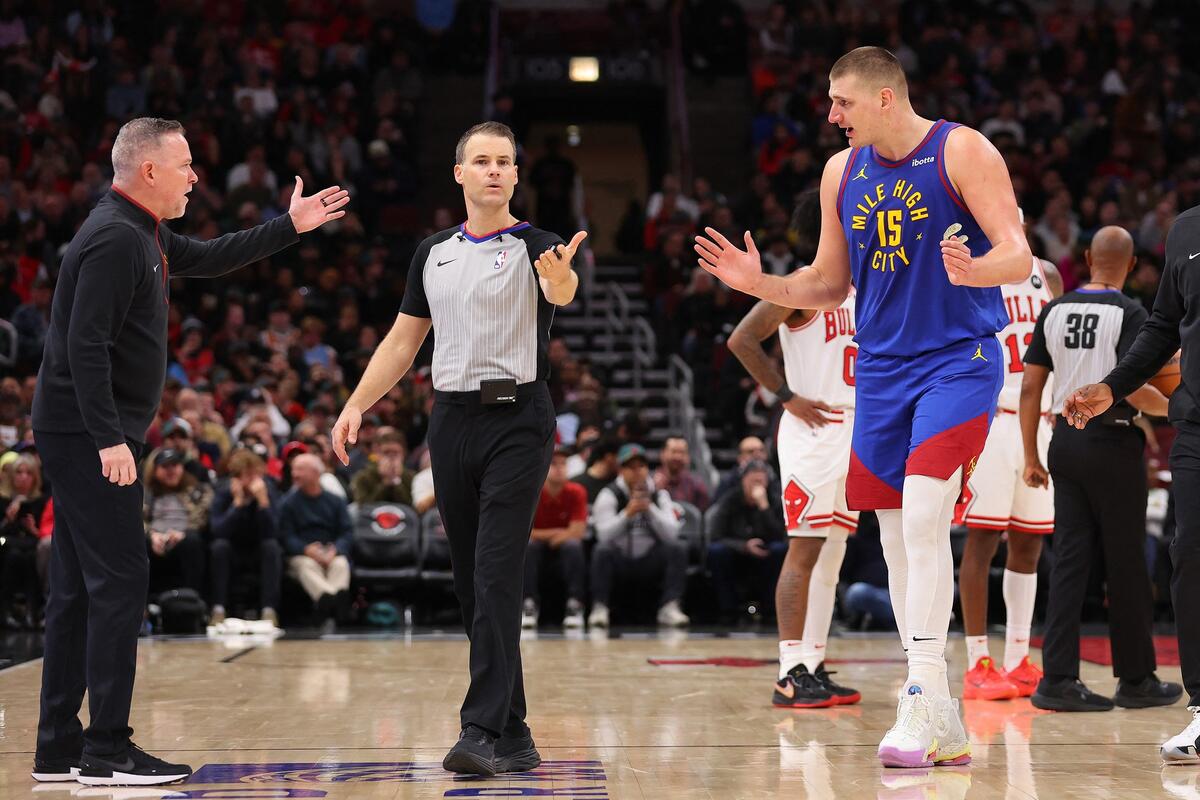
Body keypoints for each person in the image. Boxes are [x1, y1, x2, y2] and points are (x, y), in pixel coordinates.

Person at [695, 47, 1032, 768]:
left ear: (884, 98)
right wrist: (759, 284)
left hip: (959, 360)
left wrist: (976, 269)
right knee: (895, 538)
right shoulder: (840, 172)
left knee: (924, 510)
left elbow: (1020, 255)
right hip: (880, 373)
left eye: (842, 101)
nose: (831, 115)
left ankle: (920, 693)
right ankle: (942, 716)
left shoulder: (962, 150)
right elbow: (826, 284)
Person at [30, 116, 346, 787]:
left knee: (76, 590)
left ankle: (58, 746)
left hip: (81, 431)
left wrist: (289, 227)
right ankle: (107, 749)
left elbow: (209, 256)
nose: (196, 177)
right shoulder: (115, 238)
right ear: (149, 171)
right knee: (120, 582)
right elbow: (84, 346)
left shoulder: (139, 229)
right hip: (90, 434)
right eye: (185, 165)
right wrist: (109, 437)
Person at [330, 121, 587, 778]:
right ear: (460, 173)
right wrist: (357, 403)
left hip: (519, 419)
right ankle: (516, 734)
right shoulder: (432, 252)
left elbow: (562, 293)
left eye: (505, 161)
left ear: (516, 175)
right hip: (450, 420)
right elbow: (402, 340)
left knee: (497, 571)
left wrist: (562, 281)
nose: (494, 170)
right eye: (482, 160)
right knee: (473, 581)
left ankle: (480, 729)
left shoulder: (541, 247)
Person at [1065, 206, 1200, 759]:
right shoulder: (1187, 230)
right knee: (1189, 554)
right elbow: (1164, 325)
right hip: (1196, 425)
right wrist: (1113, 386)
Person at [1027, 226, 1179, 714]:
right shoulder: (1130, 312)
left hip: (1064, 441)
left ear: (1089, 259)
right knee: (1126, 563)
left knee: (1070, 561)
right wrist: (1177, 409)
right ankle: (1135, 680)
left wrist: (1031, 454)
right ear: (1131, 266)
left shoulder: (1053, 310)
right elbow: (1133, 387)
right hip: (1112, 442)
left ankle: (1057, 680)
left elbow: (1031, 387)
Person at [727, 187, 861, 709]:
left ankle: (814, 663)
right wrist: (785, 396)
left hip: (855, 428)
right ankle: (789, 672)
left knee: (833, 554)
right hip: (813, 430)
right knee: (805, 551)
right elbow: (741, 339)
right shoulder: (801, 285)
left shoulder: (863, 288)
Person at [955, 253, 1062, 701]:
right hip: (994, 418)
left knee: (1029, 541)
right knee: (982, 539)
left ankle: (1018, 657)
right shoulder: (970, 269)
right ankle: (977, 661)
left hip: (1040, 420)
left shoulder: (1046, 273)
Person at [589, 444, 690, 629]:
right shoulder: (609, 494)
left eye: (641, 466)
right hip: (620, 560)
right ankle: (600, 607)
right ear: (621, 470)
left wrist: (650, 509)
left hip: (650, 560)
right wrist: (626, 514)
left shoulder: (659, 495)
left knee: (678, 548)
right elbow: (602, 535)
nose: (637, 471)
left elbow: (672, 533)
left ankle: (669, 607)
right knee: (601, 551)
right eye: (631, 467)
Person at [705, 460, 788, 622]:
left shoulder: (774, 500)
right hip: (737, 553)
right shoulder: (730, 500)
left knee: (780, 549)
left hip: (766, 554)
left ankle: (771, 609)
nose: (757, 485)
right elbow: (716, 536)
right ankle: (728, 610)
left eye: (761, 481)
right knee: (716, 551)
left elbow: (780, 535)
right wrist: (744, 546)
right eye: (753, 481)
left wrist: (764, 507)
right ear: (743, 481)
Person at [208, 448, 281, 626]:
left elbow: (273, 531)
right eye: (249, 475)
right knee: (219, 547)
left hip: (257, 549)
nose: (255, 481)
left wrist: (263, 503)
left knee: (271, 547)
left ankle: (269, 611)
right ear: (237, 478)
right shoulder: (224, 492)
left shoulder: (267, 491)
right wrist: (237, 505)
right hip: (233, 550)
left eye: (257, 475)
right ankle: (218, 609)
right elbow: (218, 530)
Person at [279, 453, 353, 626]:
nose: (294, 474)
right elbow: (285, 536)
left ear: (315, 473)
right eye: (293, 469)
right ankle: (332, 600)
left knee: (341, 564)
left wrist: (336, 550)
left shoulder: (335, 501)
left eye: (300, 470)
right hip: (302, 554)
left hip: (331, 551)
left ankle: (330, 603)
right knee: (306, 566)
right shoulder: (287, 503)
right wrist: (306, 549)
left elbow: (347, 532)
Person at [522, 446, 588, 629]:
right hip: (537, 547)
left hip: (564, 547)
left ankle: (575, 604)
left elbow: (578, 532)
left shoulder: (577, 491)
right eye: (553, 463)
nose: (559, 468)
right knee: (528, 546)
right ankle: (528, 604)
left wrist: (549, 536)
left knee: (573, 546)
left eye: (563, 463)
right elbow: (523, 532)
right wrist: (557, 533)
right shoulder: (531, 492)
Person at [142, 448, 211, 595]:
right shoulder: (145, 493)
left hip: (184, 536)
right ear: (155, 470)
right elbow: (138, 519)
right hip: (156, 538)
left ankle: (192, 598)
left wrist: (182, 533)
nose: (171, 471)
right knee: (140, 542)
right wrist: (152, 535)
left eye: (175, 465)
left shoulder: (198, 490)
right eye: (165, 466)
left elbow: (202, 518)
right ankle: (143, 603)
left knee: (192, 541)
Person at [349, 430, 415, 505]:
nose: (391, 457)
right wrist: (385, 483)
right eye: (386, 452)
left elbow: (411, 506)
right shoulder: (363, 477)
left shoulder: (412, 478)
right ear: (378, 454)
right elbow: (364, 506)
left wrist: (396, 481)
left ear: (403, 455)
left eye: (395, 453)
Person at [653, 436, 711, 511]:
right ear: (662, 454)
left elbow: (704, 513)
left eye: (682, 452)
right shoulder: (650, 483)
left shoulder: (696, 485)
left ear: (688, 457)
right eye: (674, 451)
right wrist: (655, 491)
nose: (678, 457)